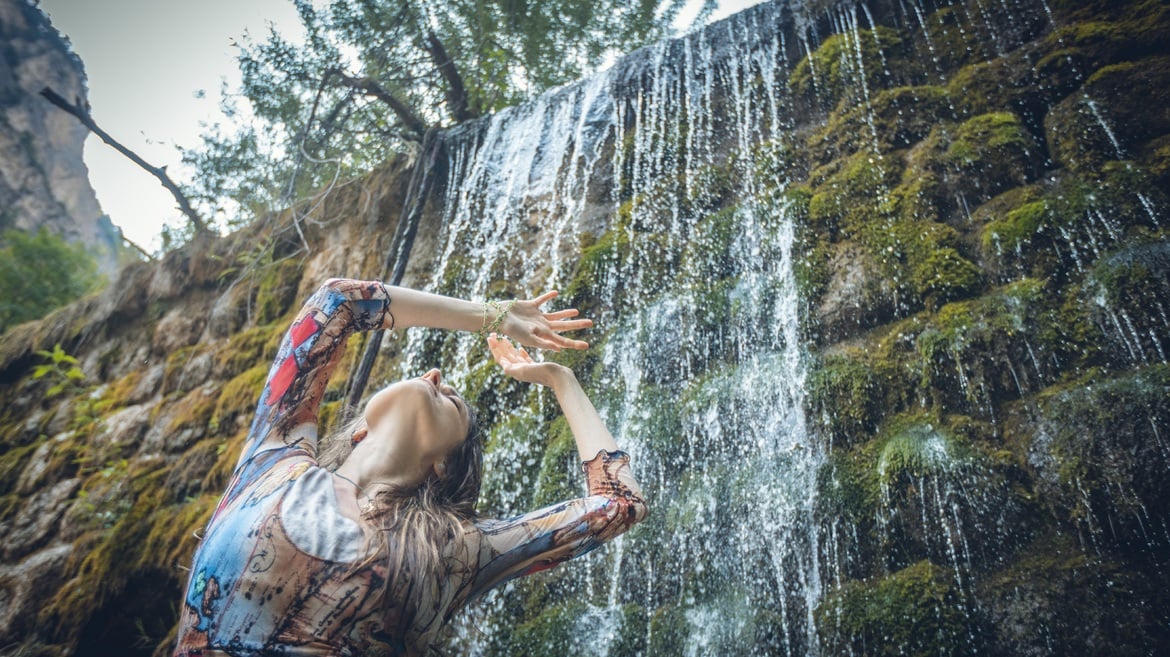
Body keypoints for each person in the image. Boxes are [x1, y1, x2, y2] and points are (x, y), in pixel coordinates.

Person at [173, 278, 648, 656]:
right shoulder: (272, 456)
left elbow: (620, 504)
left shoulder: (456, 551)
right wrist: (496, 316)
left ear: (444, 465)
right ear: (358, 429)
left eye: (456, 404)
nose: (436, 375)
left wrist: (559, 379)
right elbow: (338, 301)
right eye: (428, 377)